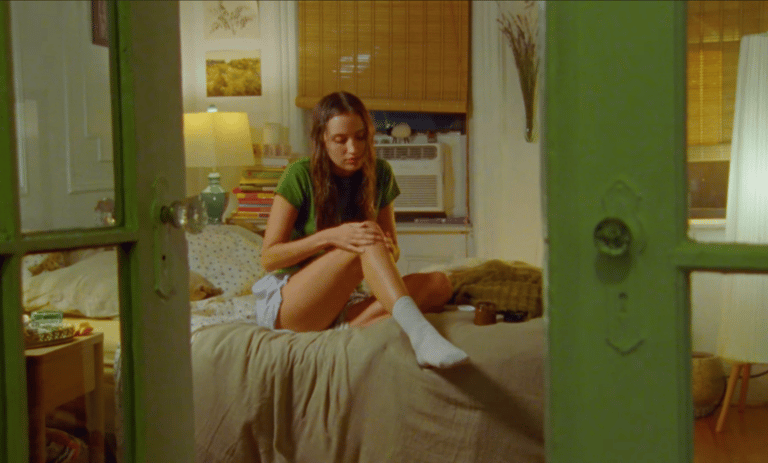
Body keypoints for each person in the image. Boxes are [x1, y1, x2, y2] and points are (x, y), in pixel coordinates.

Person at [252, 91, 468, 369]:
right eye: (340, 140)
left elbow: (394, 252)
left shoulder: (380, 173)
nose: (353, 149)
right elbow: (269, 258)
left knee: (439, 284)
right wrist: (330, 237)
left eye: (360, 137)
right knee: (365, 234)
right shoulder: (299, 173)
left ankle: (346, 329)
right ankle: (420, 334)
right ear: (322, 139)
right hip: (292, 303)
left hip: (344, 299)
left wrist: (386, 248)